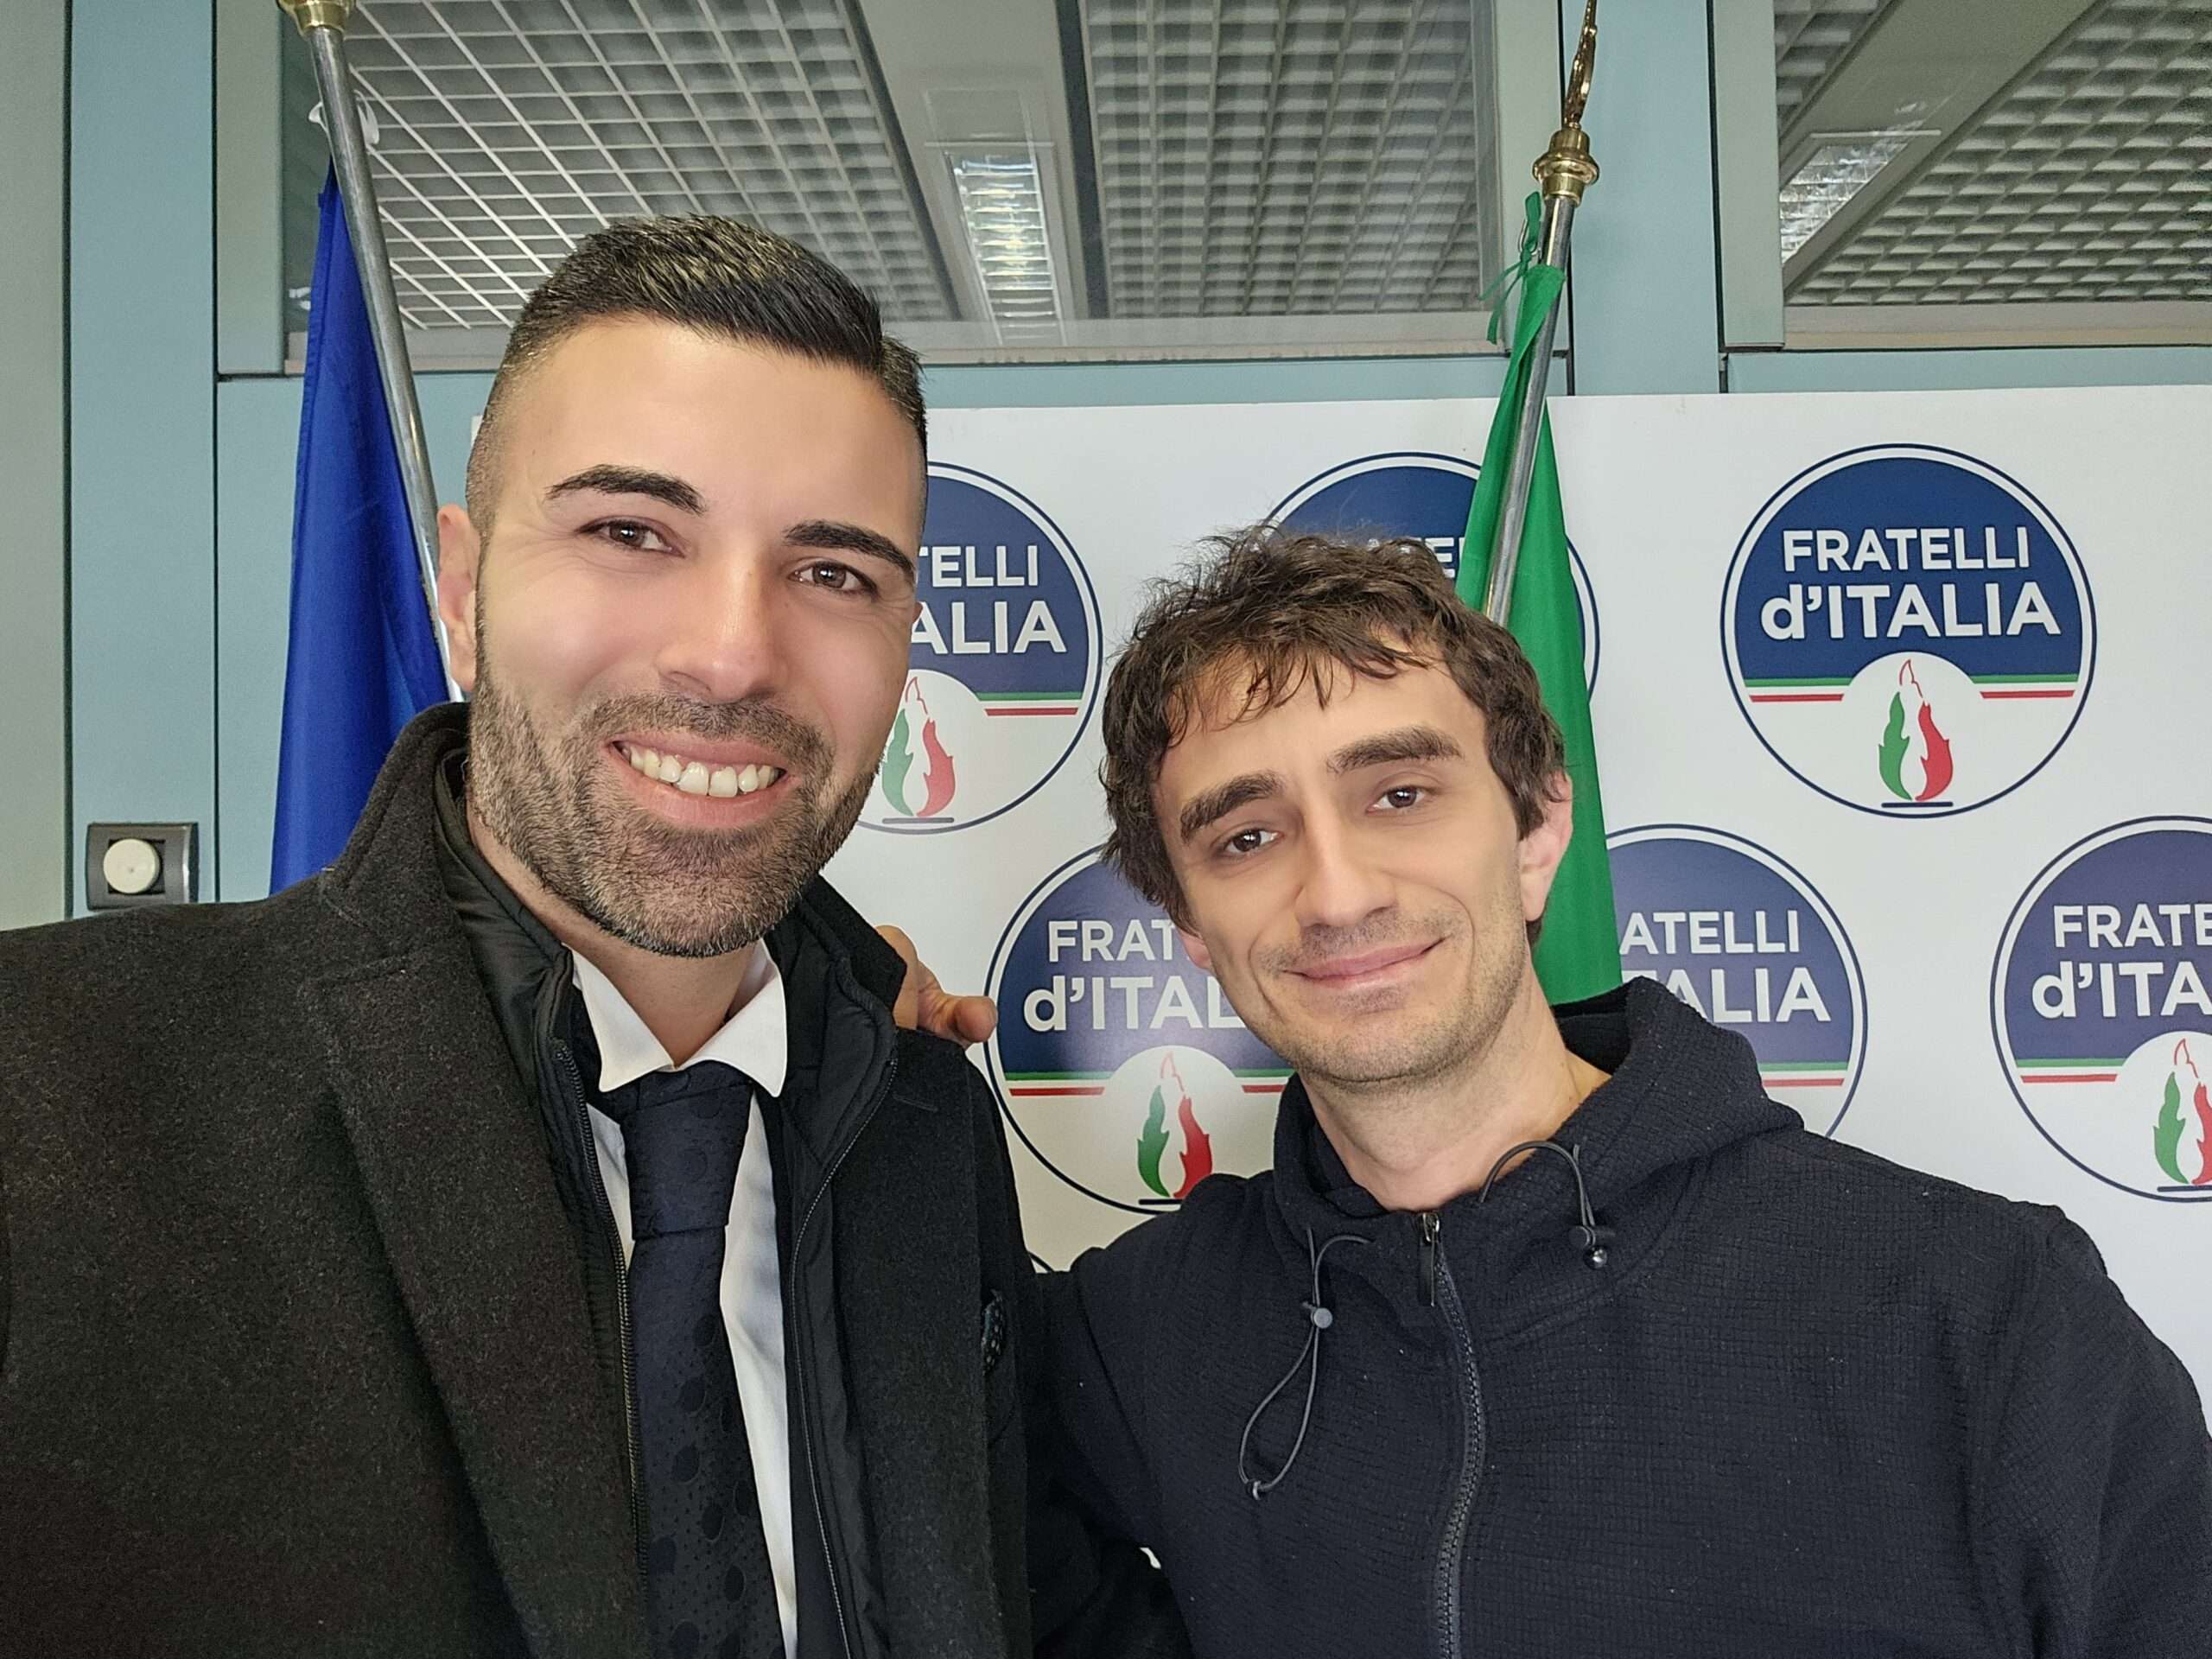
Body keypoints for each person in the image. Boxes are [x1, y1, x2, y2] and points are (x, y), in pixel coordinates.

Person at [0, 218, 1175, 1659]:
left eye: (833, 572)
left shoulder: (922, 1131)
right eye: (631, 533)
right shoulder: (50, 1088)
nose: (731, 654)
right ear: (462, 591)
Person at [1043, 525, 2212, 1657]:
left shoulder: (1985, 1314)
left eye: (1400, 794)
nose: (1339, 894)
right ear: (1189, 924)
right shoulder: (1138, 1336)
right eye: (1247, 838)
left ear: (1538, 830)